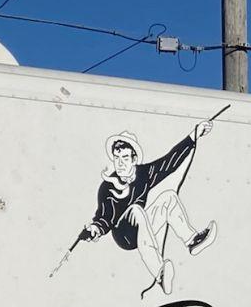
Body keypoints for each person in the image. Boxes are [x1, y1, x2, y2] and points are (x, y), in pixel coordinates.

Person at [81, 124, 217, 293]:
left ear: (134, 158)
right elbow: (104, 217)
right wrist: (95, 229)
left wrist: (194, 135)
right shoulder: (107, 187)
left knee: (168, 197)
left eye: (124, 157)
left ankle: (192, 241)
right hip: (123, 234)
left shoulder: (144, 174)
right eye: (117, 158)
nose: (120, 163)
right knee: (136, 210)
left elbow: (169, 161)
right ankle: (159, 273)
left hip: (143, 227)